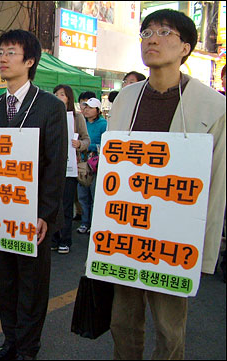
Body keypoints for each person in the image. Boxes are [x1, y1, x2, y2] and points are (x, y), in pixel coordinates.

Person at [108, 9, 226, 359]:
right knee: (122, 324)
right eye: (146, 33)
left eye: (164, 32)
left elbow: (217, 183)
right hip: (125, 232)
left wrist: (204, 253)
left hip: (176, 241)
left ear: (186, 47)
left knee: (169, 329)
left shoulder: (212, 105)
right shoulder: (125, 100)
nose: (152, 39)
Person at [0, 30, 66, 360]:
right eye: (0, 52)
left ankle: (28, 350)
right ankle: (10, 342)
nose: (2, 58)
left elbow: (55, 164)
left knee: (31, 286)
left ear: (29, 61)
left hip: (32, 215)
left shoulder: (49, 106)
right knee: (4, 283)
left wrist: (45, 214)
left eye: (10, 52)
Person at [51, 84, 90, 254]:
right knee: (51, 205)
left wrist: (80, 144)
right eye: (56, 94)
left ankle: (65, 240)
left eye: (62, 94)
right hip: (51, 169)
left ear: (69, 98)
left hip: (70, 168)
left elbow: (86, 139)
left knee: (66, 205)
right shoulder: (50, 115)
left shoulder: (76, 117)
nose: (58, 97)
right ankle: (52, 238)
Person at [76, 98, 107, 235]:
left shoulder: (103, 124)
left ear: (97, 110)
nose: (86, 110)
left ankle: (95, 224)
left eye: (90, 107)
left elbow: (105, 143)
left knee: (94, 195)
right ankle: (85, 222)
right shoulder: (81, 122)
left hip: (96, 164)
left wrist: (86, 145)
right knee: (82, 195)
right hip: (82, 164)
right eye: (85, 107)